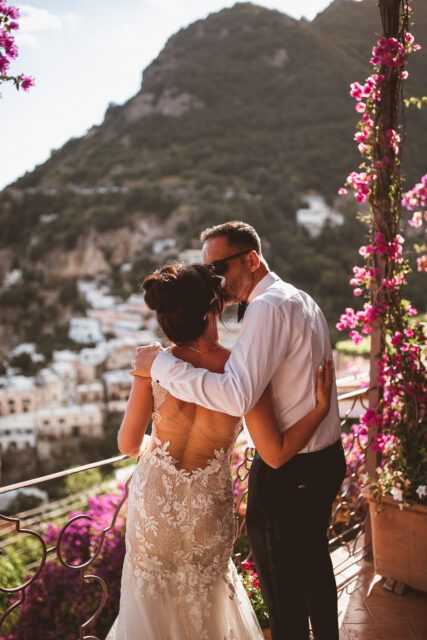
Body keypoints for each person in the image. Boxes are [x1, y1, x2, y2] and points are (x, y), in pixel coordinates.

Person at [133, 221, 347, 640]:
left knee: (283, 594)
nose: (215, 281)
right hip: (322, 459)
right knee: (315, 567)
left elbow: (236, 395)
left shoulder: (267, 307)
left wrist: (159, 365)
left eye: (219, 268)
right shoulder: (298, 298)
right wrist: (320, 409)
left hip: (292, 468)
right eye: (207, 273)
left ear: (251, 259)